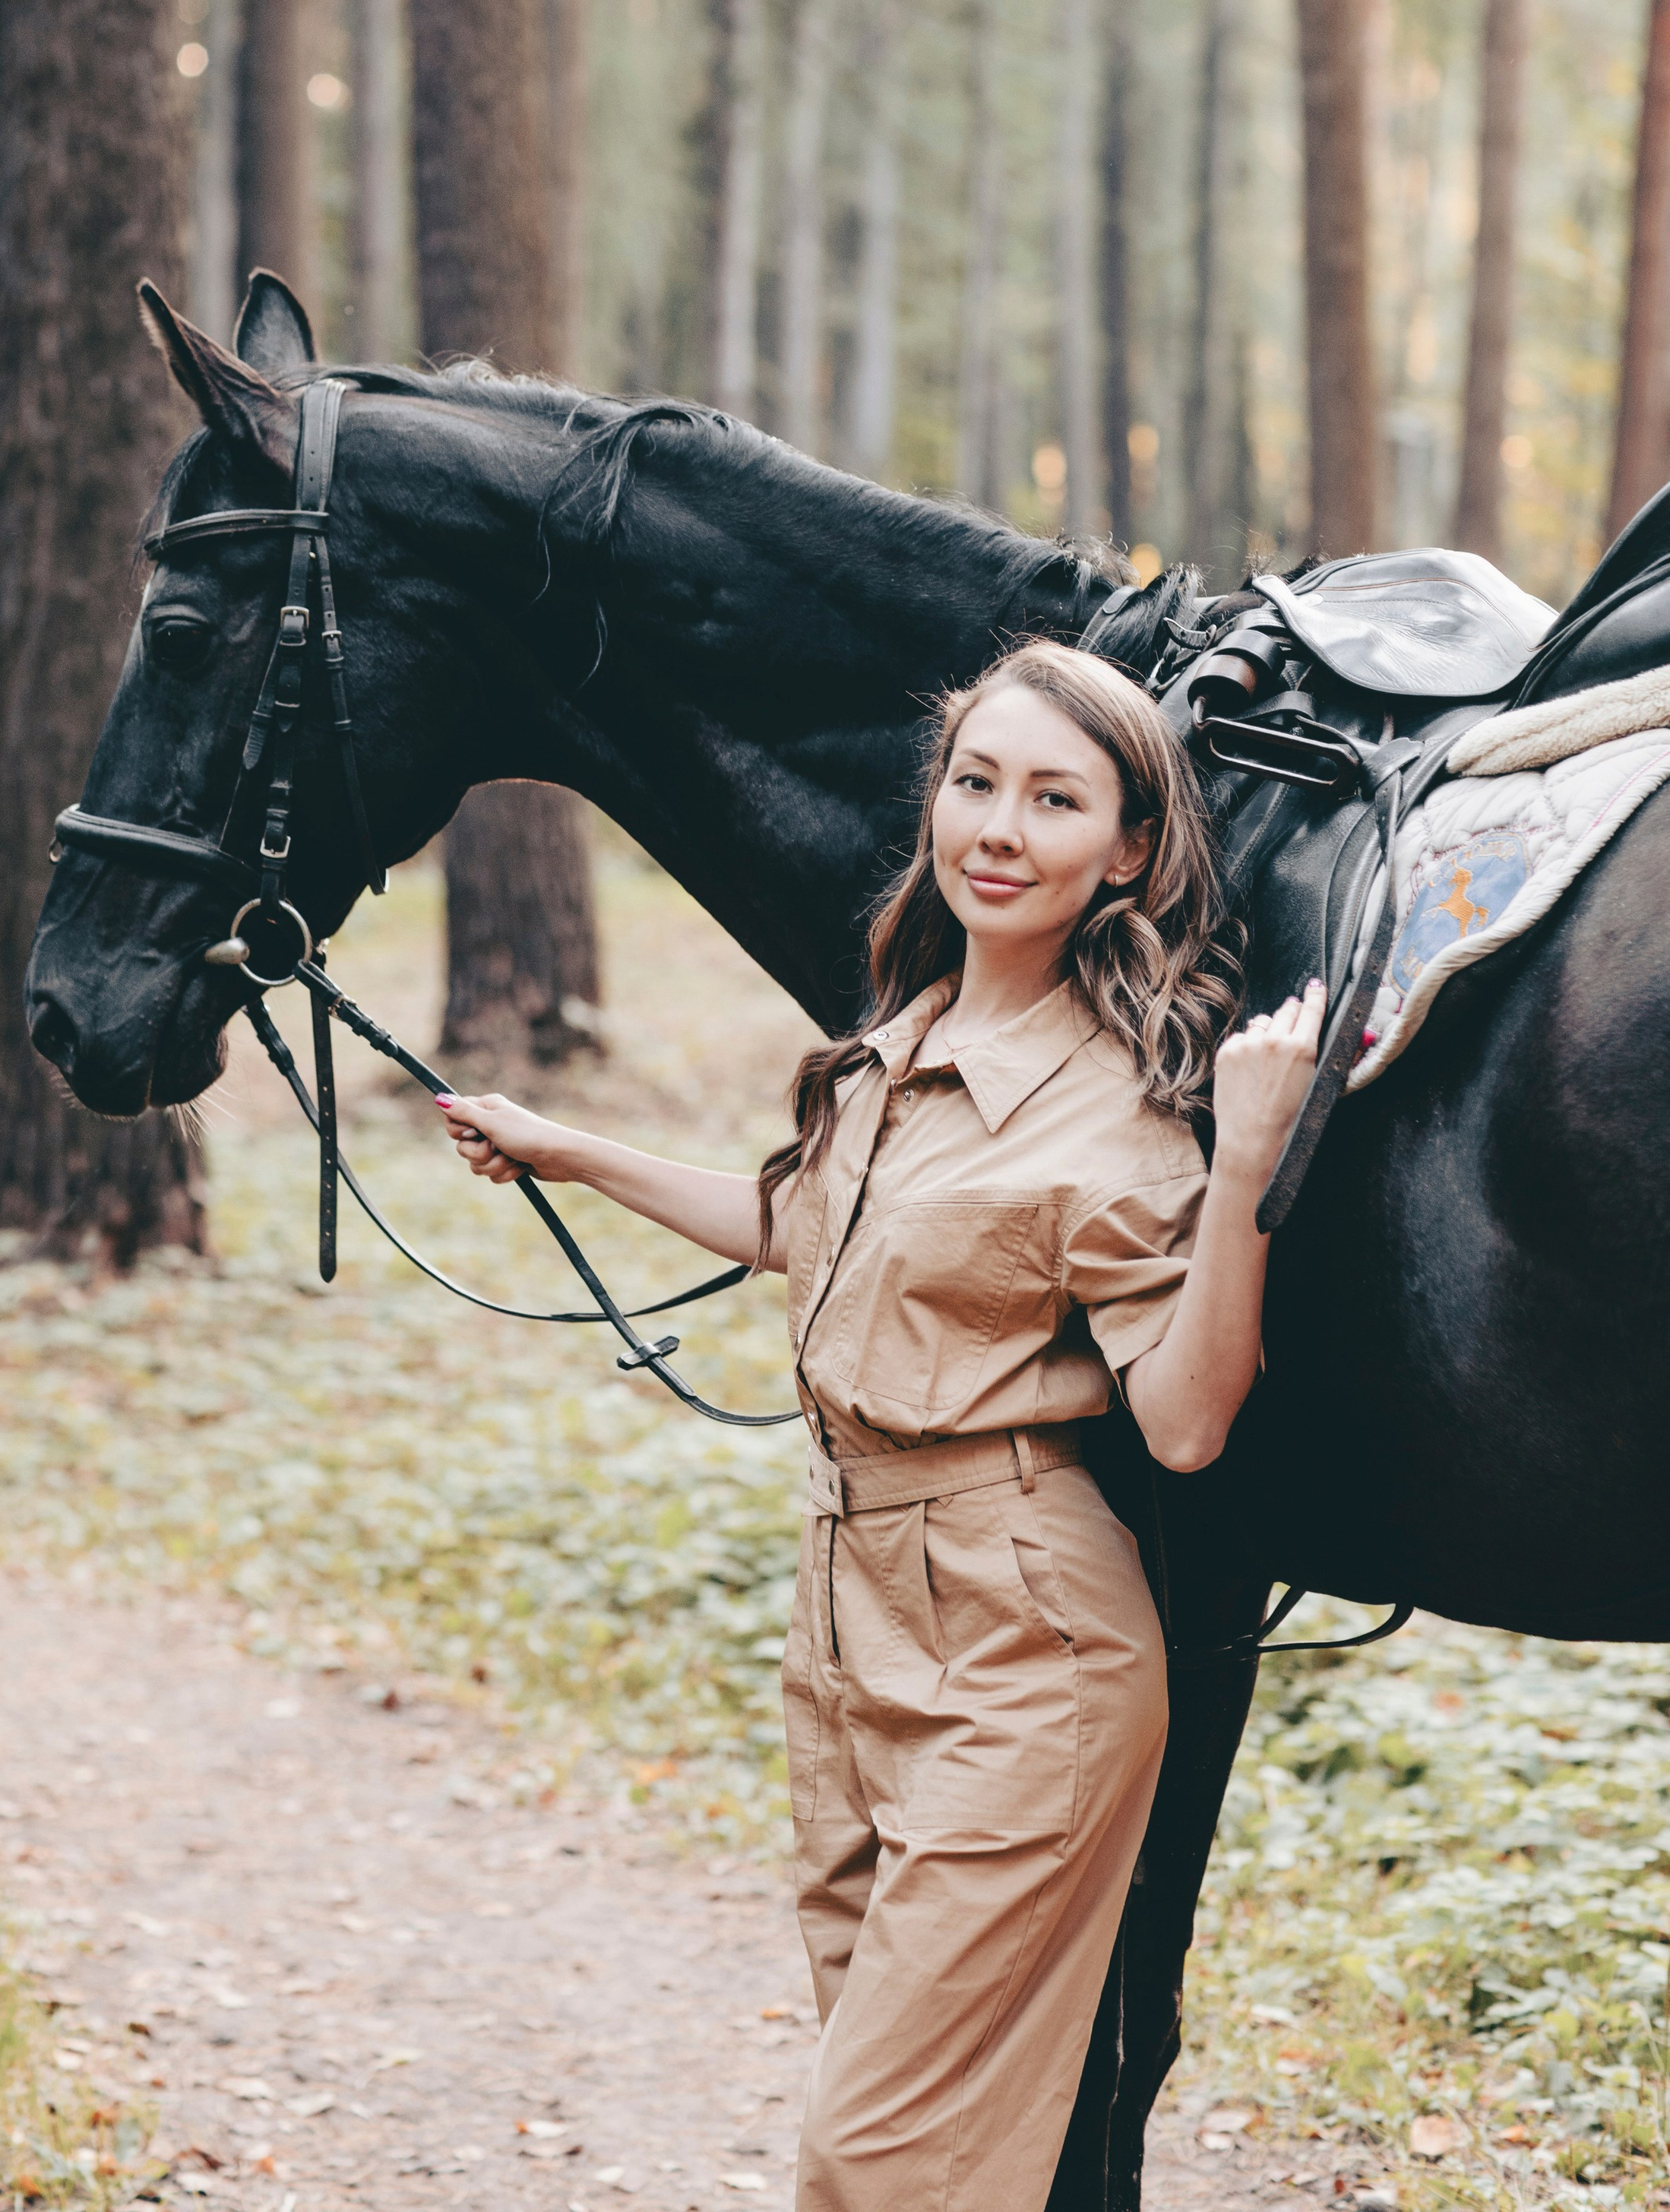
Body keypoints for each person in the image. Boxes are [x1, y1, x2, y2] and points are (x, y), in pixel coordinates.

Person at [434, 640, 1323, 2212]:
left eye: (1054, 800)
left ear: (1125, 854)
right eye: (973, 781)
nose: (996, 826)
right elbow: (802, 1224)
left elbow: (1183, 1424)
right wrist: (562, 1149)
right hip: (847, 1611)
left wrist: (1243, 1165)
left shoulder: (1115, 1113)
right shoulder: (892, 1047)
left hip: (1020, 1644)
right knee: (944, 2137)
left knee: (877, 2158)